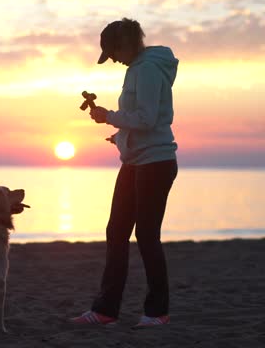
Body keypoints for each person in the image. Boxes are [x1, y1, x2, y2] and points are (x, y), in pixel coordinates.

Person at [70, 18, 179, 328]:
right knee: (116, 232)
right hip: (135, 161)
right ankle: (106, 310)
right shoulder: (137, 68)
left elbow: (146, 118)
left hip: (155, 163)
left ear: (127, 43)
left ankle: (157, 312)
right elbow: (142, 122)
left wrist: (109, 117)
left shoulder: (146, 68)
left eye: (113, 52)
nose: (113, 59)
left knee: (146, 236)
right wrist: (119, 136)